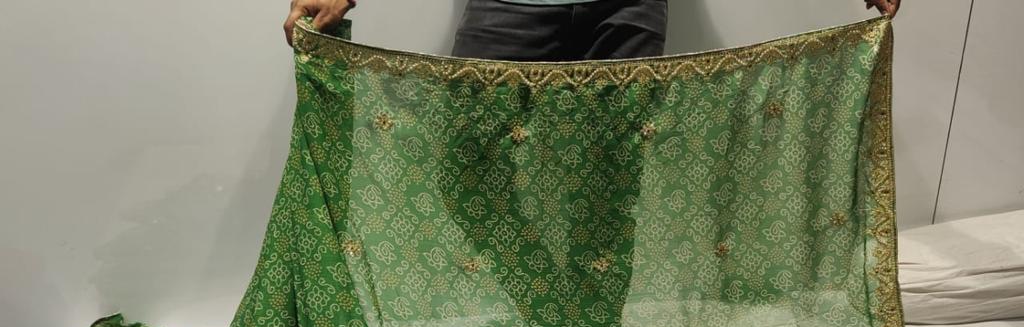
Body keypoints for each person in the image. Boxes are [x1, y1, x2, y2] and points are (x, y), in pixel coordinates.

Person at [284, 0, 902, 60]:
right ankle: (547, 313)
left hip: (626, 10)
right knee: (464, 169)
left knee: (613, 185)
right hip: (506, 7)